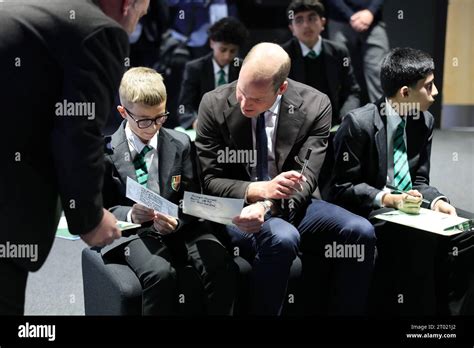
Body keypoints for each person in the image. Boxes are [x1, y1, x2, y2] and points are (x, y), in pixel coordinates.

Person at [195, 42, 376, 315]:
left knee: (360, 232)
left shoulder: (315, 104)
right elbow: (209, 180)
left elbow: (306, 177)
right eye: (241, 92)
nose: (244, 103)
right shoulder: (214, 102)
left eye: (256, 99)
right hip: (234, 205)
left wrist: (267, 203)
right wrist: (258, 190)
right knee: (282, 237)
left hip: (292, 201)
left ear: (281, 89)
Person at [0, 0, 149, 315]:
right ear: (126, 5)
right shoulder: (98, 31)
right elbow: (79, 133)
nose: (136, 26)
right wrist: (90, 218)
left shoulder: (31, 9)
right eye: (140, 14)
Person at [329, 47, 474, 315]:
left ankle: (449, 316)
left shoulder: (424, 121)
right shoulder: (358, 124)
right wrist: (388, 198)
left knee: (468, 231)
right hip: (371, 209)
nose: (436, 93)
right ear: (405, 93)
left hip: (410, 207)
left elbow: (419, 178)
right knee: (418, 239)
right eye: (428, 87)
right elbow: (340, 188)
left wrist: (437, 201)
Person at [101, 67, 237, 315]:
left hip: (182, 225)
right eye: (144, 120)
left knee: (221, 264)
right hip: (133, 232)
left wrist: (177, 220)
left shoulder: (181, 142)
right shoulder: (106, 152)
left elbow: (191, 196)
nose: (153, 127)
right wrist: (131, 214)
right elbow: (101, 207)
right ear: (123, 112)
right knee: (160, 274)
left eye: (160, 117)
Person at [282, 0, 360, 124]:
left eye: (312, 18)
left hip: (334, 122)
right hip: (297, 125)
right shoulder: (282, 55)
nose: (306, 25)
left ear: (323, 22)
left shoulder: (338, 52)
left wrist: (347, 116)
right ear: (292, 28)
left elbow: (351, 91)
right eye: (299, 20)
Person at [178, 17, 248, 129]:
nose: (227, 56)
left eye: (232, 51)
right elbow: (184, 107)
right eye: (223, 49)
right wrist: (194, 121)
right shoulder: (195, 68)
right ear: (212, 43)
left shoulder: (244, 68)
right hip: (203, 125)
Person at [325, 0, 389, 103]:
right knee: (340, 74)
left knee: (380, 73)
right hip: (339, 20)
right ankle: (344, 116)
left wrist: (370, 11)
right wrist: (350, 15)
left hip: (373, 20)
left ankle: (383, 116)